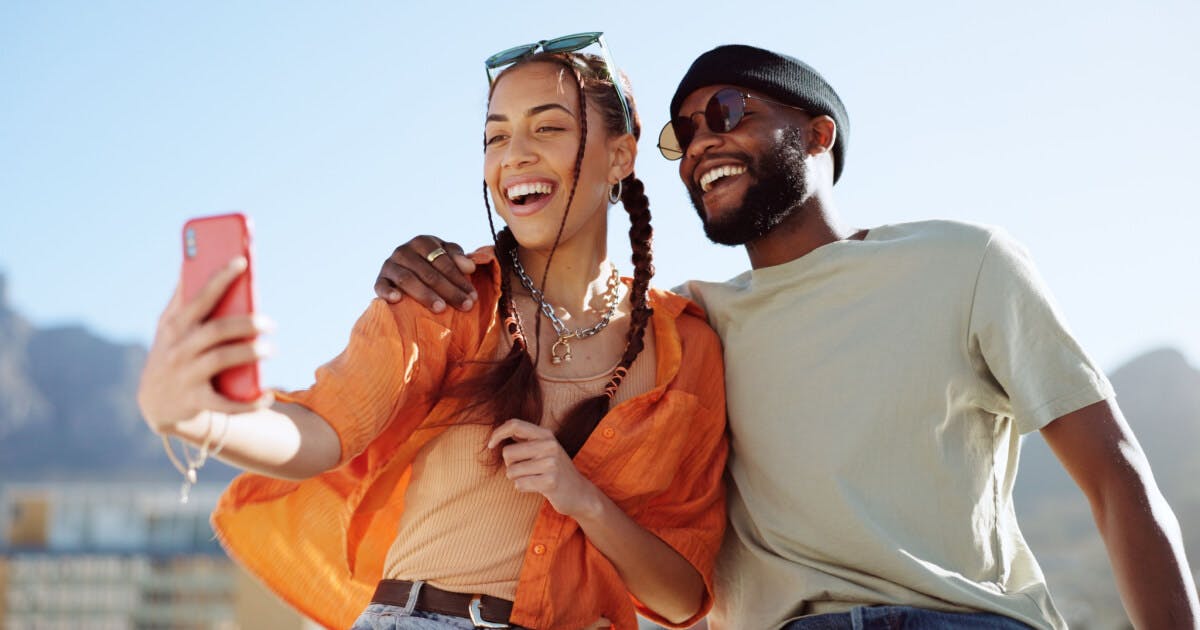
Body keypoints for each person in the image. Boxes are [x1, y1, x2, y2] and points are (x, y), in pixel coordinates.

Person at [372, 44, 1200, 630]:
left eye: (728, 112)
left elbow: (1117, 476)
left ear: (815, 134)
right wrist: (431, 258)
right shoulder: (690, 324)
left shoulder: (965, 259)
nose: (701, 145)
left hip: (967, 620)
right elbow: (558, 299)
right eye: (683, 133)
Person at [137, 33, 728, 630]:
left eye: (547, 128)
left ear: (622, 156)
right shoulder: (445, 299)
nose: (513, 155)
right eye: (495, 136)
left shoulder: (687, 349)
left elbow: (682, 597)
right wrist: (200, 416)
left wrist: (583, 500)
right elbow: (321, 431)